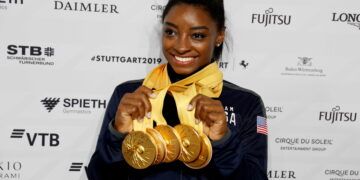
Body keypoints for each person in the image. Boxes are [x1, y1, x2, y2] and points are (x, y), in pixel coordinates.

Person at [86, 0, 268, 179]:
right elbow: (97, 176)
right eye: (171, 32)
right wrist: (117, 134)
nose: (181, 47)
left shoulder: (247, 103)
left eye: (197, 35)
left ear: (220, 36)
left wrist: (223, 140)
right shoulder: (130, 95)